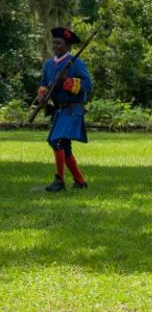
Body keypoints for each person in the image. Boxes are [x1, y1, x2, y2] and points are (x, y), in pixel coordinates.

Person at [37, 27, 92, 192]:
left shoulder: (76, 64)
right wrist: (42, 94)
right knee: (63, 146)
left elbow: (88, 85)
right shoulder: (48, 65)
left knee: (57, 141)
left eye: (59, 43)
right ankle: (80, 181)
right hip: (58, 110)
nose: (56, 46)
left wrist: (67, 83)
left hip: (72, 109)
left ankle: (59, 180)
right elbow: (43, 83)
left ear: (68, 46)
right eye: (54, 42)